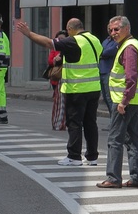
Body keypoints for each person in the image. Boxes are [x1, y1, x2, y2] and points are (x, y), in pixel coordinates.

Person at [16, 17, 102, 166]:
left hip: (77, 89)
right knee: (90, 123)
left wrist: (29, 34)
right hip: (94, 88)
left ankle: (74, 156)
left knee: (74, 122)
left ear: (70, 29)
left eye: (68, 31)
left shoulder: (73, 41)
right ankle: (92, 156)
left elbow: (49, 43)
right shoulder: (94, 39)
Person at [97, 16, 138, 189]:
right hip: (135, 100)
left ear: (127, 29)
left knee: (114, 139)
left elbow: (131, 77)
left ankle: (113, 178)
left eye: (117, 29)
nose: (113, 33)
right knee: (132, 139)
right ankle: (137, 178)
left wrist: (124, 101)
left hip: (125, 101)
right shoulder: (131, 45)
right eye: (110, 30)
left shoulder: (129, 48)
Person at [98, 20, 120, 118]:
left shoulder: (117, 42)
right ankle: (112, 119)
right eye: (110, 29)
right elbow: (100, 51)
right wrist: (102, 54)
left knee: (110, 97)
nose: (111, 31)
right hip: (101, 71)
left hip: (109, 71)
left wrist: (102, 54)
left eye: (115, 29)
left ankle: (115, 120)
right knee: (105, 98)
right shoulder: (106, 41)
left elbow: (107, 52)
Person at [48, 30, 67, 131]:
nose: (61, 41)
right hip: (56, 79)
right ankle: (58, 123)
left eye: (63, 39)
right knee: (59, 101)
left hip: (66, 79)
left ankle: (63, 122)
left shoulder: (67, 49)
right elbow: (50, 60)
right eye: (59, 39)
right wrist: (55, 59)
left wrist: (59, 59)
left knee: (65, 102)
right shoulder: (55, 49)